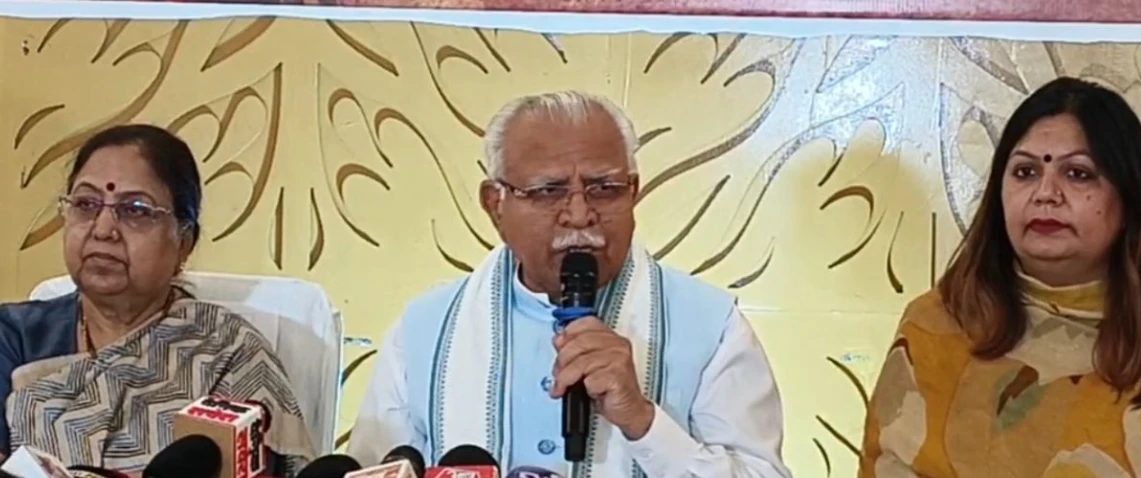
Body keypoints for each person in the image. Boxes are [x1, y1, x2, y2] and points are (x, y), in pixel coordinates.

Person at [348, 91, 790, 477]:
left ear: (633, 191)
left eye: (604, 188)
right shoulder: (423, 331)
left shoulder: (712, 329)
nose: (579, 215)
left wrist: (645, 423)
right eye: (548, 191)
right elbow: (376, 469)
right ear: (495, 204)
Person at [859, 77, 1141, 477]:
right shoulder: (937, 327)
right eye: (1025, 172)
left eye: (1078, 174)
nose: (1046, 193)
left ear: (1129, 200)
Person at [0, 125, 315, 474]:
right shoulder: (13, 336)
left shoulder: (230, 352)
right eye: (86, 204)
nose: (102, 229)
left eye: (135, 210)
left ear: (184, 242)